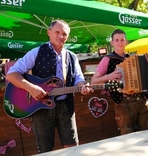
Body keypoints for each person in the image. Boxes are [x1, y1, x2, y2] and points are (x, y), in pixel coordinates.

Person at [6, 20, 93, 153]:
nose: (60, 36)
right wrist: (31, 88)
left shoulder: (72, 56)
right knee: (46, 151)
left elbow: (78, 79)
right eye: (57, 32)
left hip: (66, 106)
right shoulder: (36, 52)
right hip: (41, 107)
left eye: (64, 34)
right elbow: (11, 74)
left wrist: (83, 87)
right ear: (49, 32)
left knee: (72, 148)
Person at [91, 29, 148, 135]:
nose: (120, 42)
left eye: (122, 40)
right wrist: (109, 76)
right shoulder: (107, 59)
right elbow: (94, 81)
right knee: (127, 135)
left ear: (126, 42)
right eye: (117, 40)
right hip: (122, 102)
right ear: (112, 43)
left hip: (141, 101)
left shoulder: (134, 58)